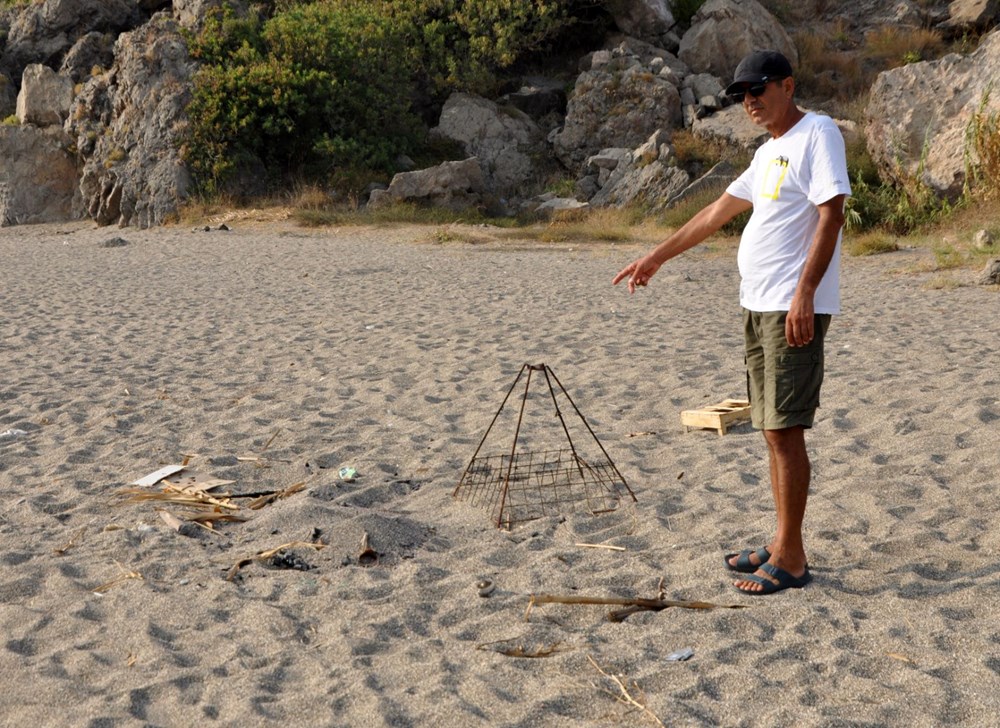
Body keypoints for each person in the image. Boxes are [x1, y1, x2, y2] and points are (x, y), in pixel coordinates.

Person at [612, 50, 851, 595]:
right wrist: (655, 257)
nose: (749, 101)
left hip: (792, 306)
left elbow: (831, 213)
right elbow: (713, 213)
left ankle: (791, 557)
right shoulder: (769, 153)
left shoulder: (818, 133)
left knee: (786, 429)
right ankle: (781, 539)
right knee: (770, 426)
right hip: (757, 304)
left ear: (787, 86)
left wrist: (804, 293)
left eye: (758, 89)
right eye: (742, 94)